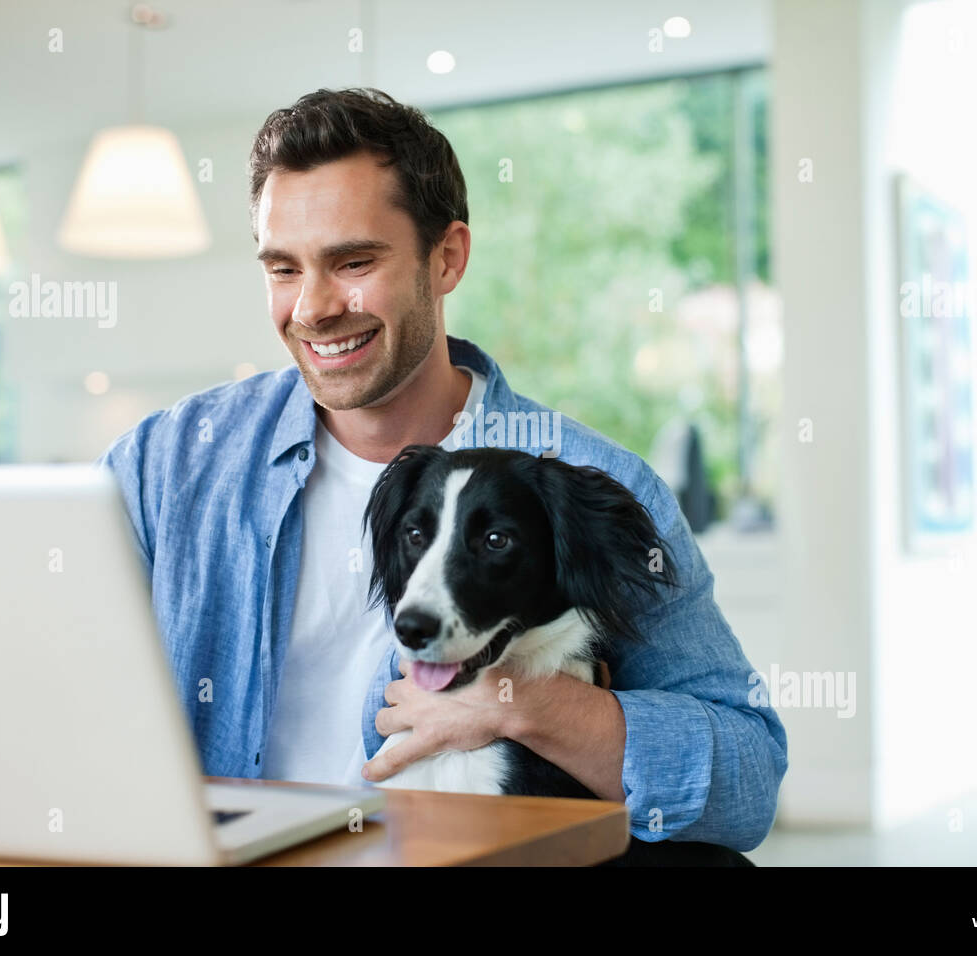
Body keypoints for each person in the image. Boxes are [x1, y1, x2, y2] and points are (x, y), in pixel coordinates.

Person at [97, 87, 787, 862]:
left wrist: (522, 702)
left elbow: (747, 782)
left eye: (353, 262)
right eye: (284, 269)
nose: (314, 307)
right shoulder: (168, 463)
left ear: (447, 257)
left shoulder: (593, 486)